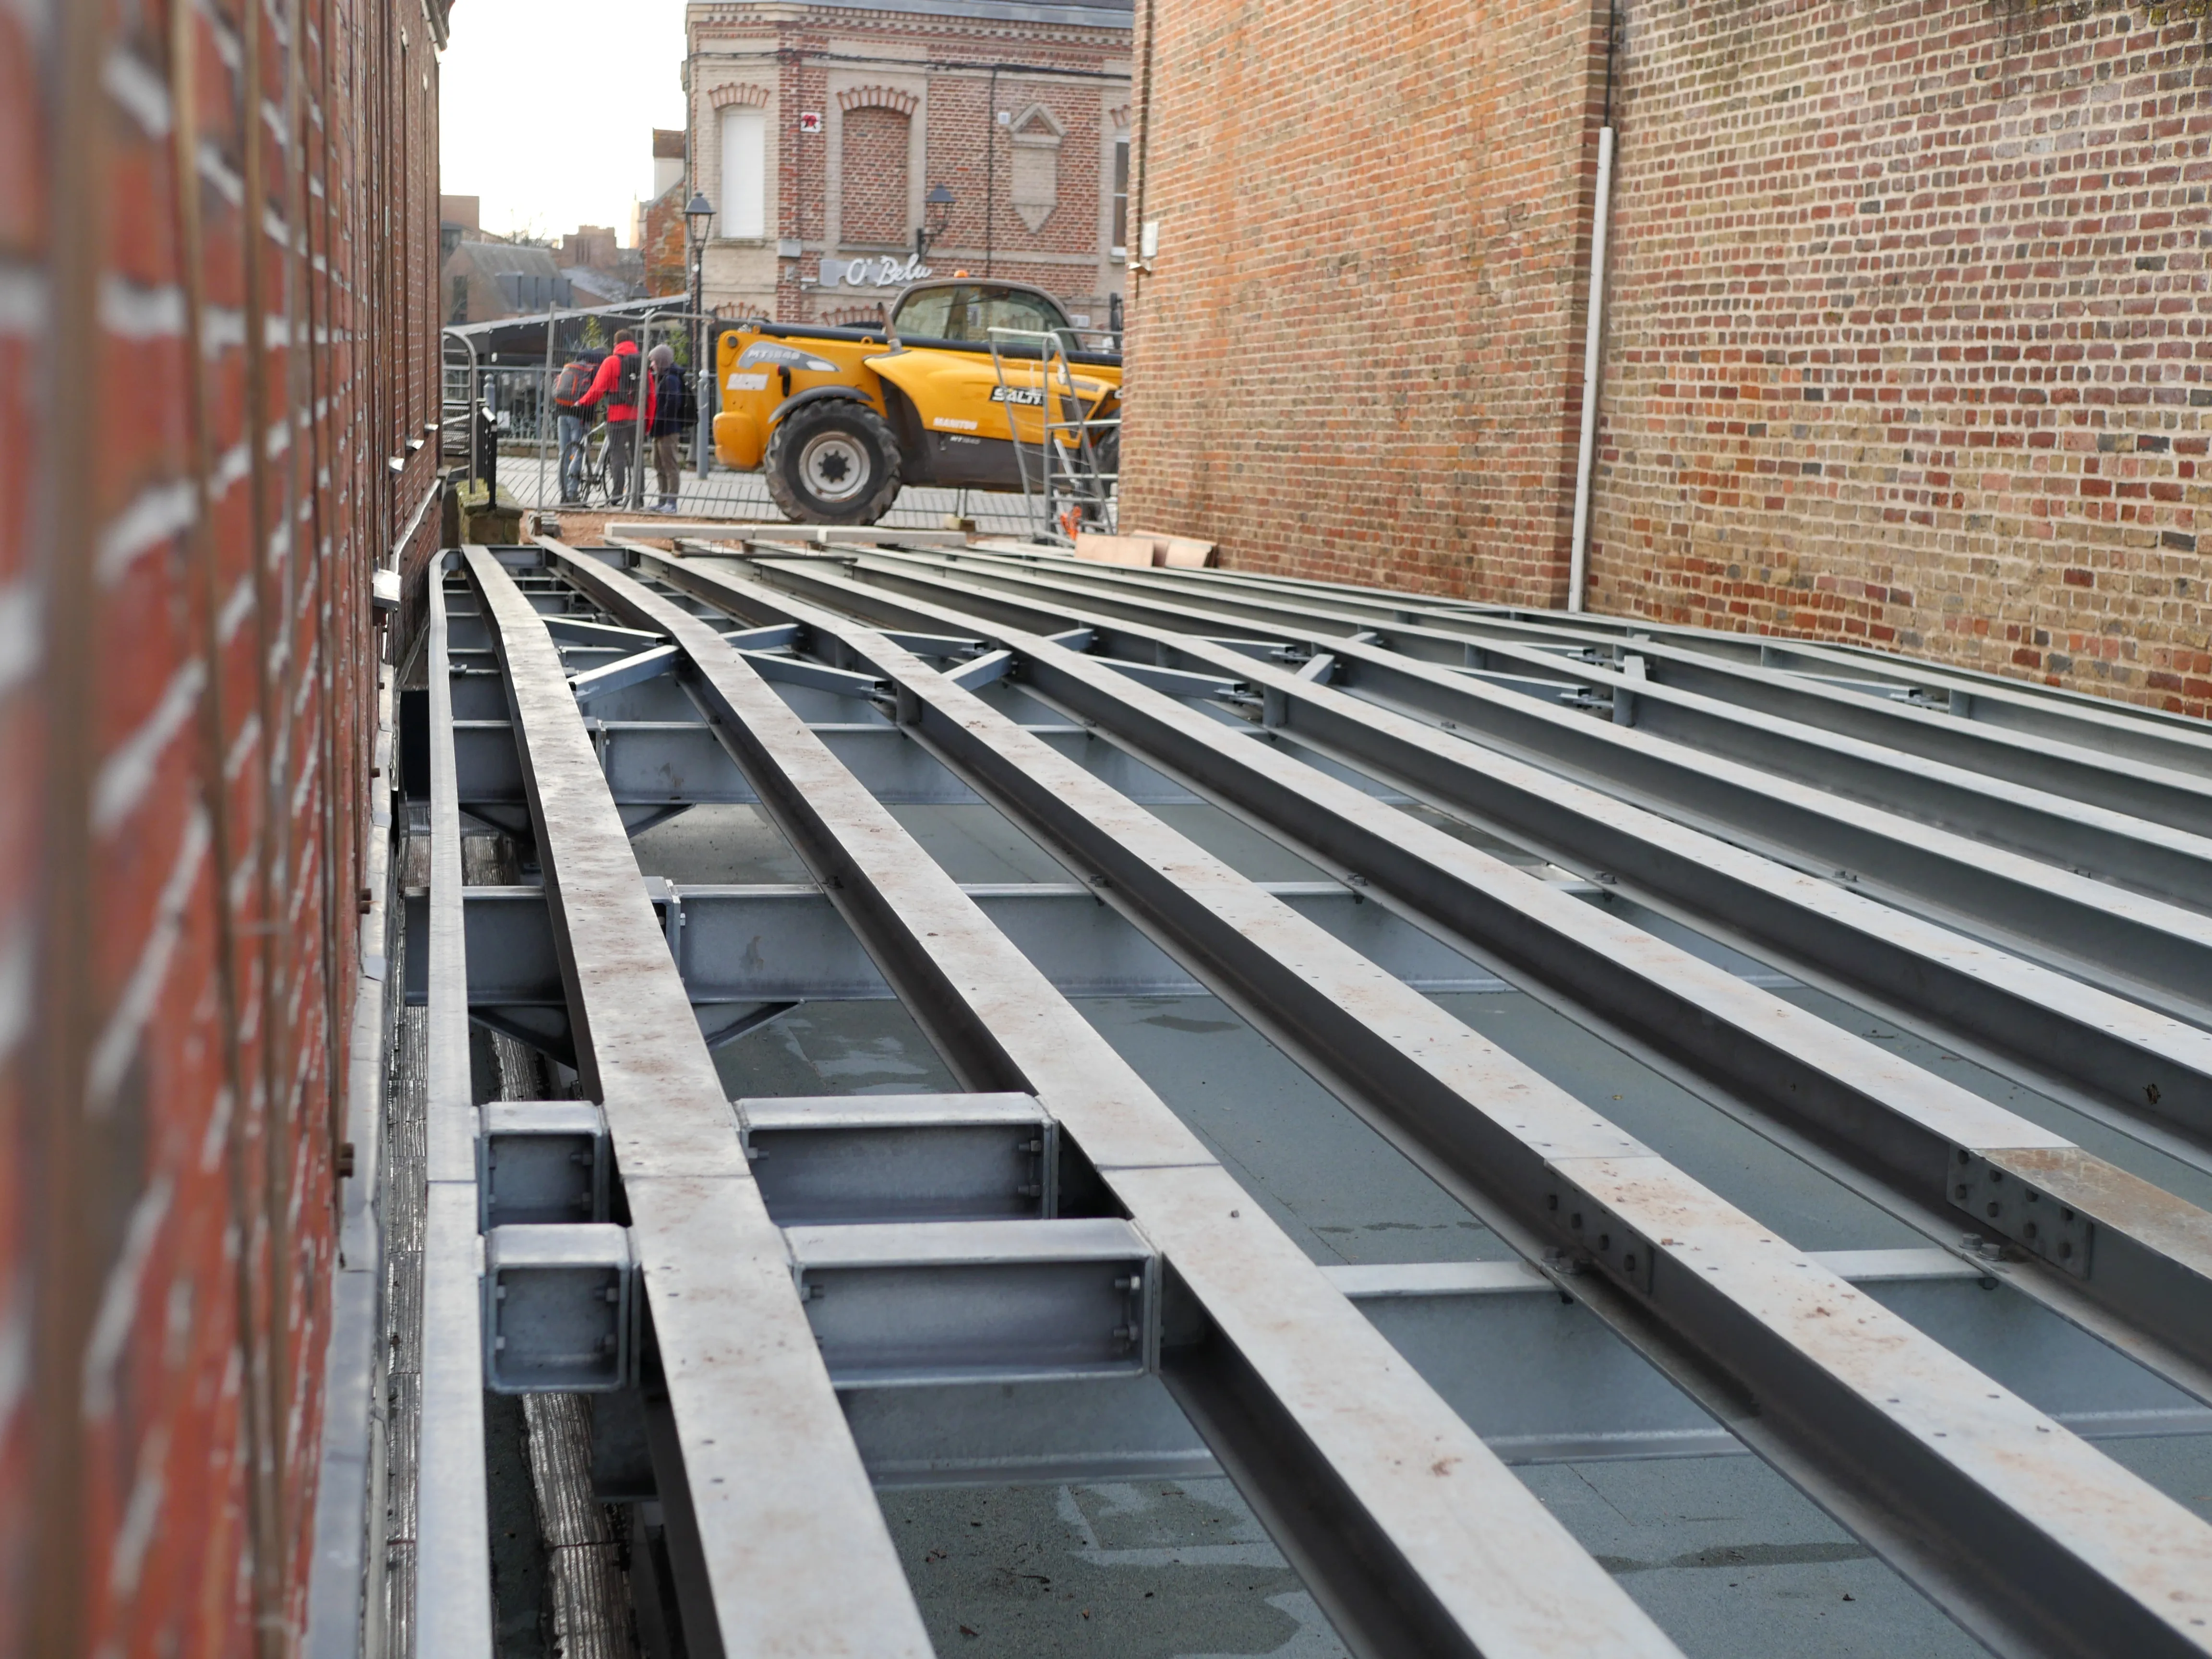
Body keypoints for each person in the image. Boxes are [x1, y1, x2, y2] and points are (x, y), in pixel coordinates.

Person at [579, 329, 654, 505]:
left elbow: (597, 389)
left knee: (617, 455)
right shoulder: (643, 363)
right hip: (638, 417)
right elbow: (651, 396)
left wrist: (582, 402)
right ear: (633, 343)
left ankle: (617, 495)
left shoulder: (611, 362)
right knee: (637, 458)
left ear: (616, 344)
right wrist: (648, 421)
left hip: (616, 417)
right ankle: (639, 497)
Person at [550, 349, 602, 505]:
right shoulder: (593, 371)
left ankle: (564, 493)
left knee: (563, 454)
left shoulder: (569, 367)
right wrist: (592, 417)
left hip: (561, 413)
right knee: (577, 453)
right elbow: (594, 395)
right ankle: (573, 495)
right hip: (580, 416)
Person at [646, 342, 690, 514]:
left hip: (668, 429)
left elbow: (672, 403)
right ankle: (663, 499)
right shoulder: (663, 377)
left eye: (654, 361)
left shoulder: (671, 379)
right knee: (658, 464)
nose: (652, 365)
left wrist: (659, 418)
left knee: (669, 464)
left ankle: (671, 502)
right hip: (659, 429)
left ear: (661, 361)